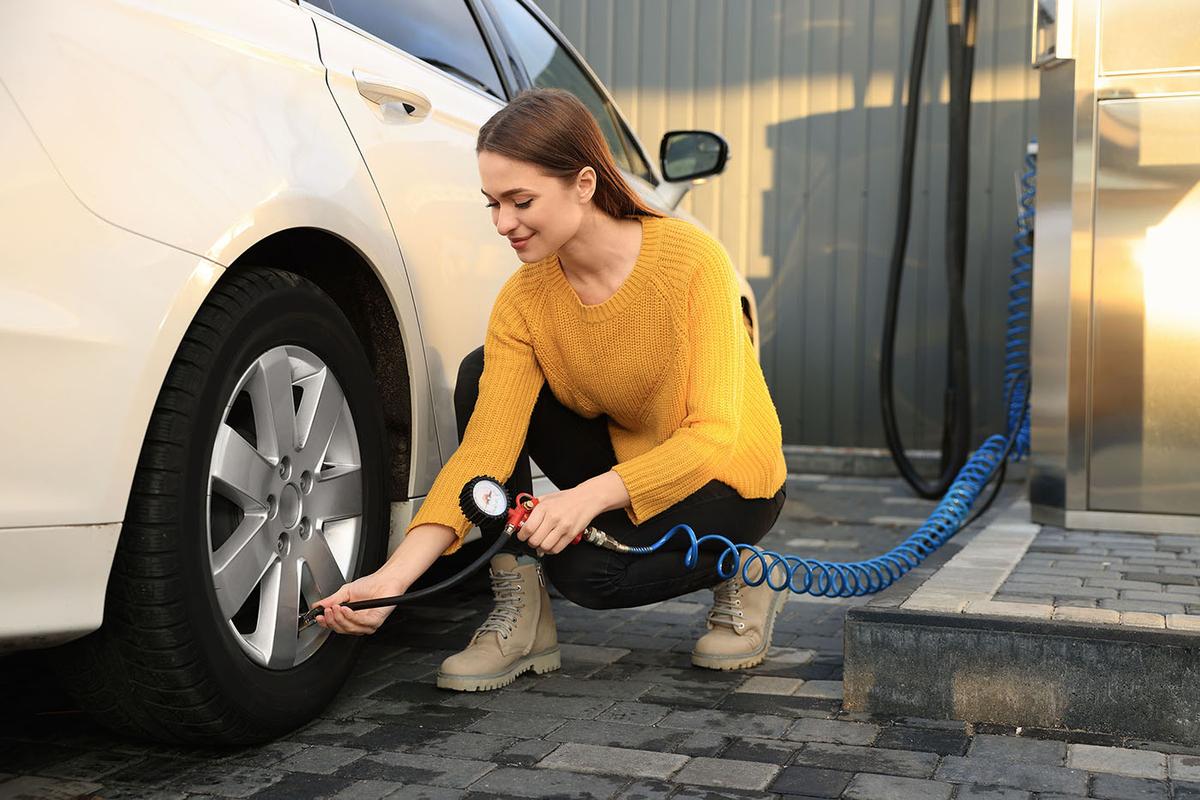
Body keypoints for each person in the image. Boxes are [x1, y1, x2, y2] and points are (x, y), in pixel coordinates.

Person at [311, 87, 788, 692]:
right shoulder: (525, 299)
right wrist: (392, 580)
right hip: (629, 458)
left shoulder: (692, 263)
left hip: (726, 478)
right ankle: (523, 616)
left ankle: (746, 570)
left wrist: (584, 499)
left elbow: (714, 435)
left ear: (584, 184)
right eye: (492, 203)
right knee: (481, 373)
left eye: (521, 200)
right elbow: (485, 452)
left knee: (591, 577)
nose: (503, 223)